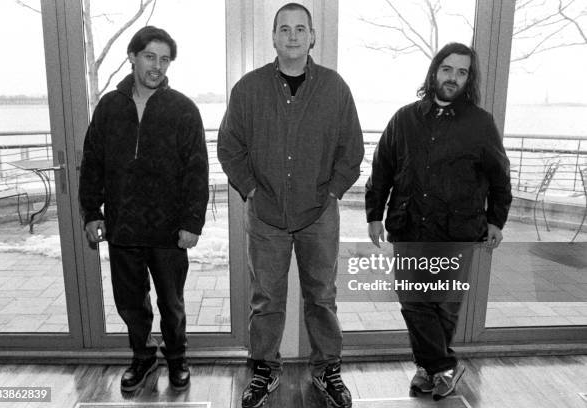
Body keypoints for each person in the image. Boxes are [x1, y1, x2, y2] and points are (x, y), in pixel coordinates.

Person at [218, 3, 364, 407]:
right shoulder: (248, 89)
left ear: (312, 36)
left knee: (322, 296)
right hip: (265, 215)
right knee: (266, 298)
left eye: (301, 29)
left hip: (319, 213)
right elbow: (229, 147)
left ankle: (327, 369)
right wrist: (250, 189)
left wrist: (333, 190)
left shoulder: (335, 88)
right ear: (275, 37)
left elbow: (351, 149)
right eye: (285, 29)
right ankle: (264, 368)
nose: (294, 36)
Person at [365, 43, 512, 400]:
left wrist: (496, 220)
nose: (453, 78)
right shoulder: (404, 118)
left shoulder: (480, 124)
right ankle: (444, 366)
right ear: (434, 72)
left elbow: (499, 176)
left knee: (443, 306)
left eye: (462, 72)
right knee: (414, 302)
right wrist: (374, 214)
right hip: (410, 226)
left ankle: (429, 370)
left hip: (457, 231)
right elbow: (381, 168)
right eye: (447, 69)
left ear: (468, 79)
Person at [79, 26, 209, 393]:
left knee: (172, 303)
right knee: (130, 302)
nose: (157, 66)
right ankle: (142, 357)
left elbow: (197, 171)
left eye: (164, 59)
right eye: (150, 56)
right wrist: (92, 212)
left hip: (169, 231)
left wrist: (191, 223)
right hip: (123, 228)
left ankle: (177, 358)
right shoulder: (108, 107)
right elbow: (92, 163)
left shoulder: (183, 109)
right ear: (132, 56)